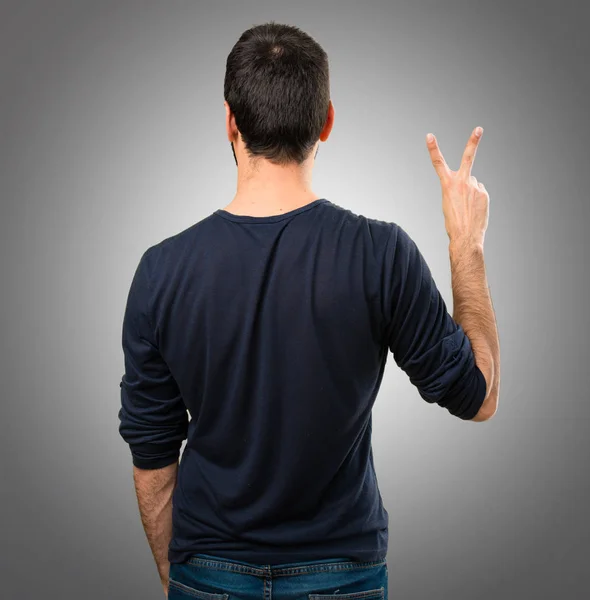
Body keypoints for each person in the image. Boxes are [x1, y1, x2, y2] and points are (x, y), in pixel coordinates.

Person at [118, 21, 500, 600]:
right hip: (341, 575)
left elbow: (152, 456)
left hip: (209, 571)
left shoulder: (161, 271)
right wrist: (465, 245)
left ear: (229, 122)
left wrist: (184, 580)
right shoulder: (381, 254)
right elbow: (480, 396)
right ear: (326, 121)